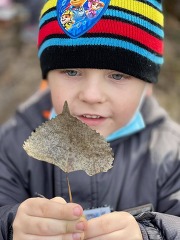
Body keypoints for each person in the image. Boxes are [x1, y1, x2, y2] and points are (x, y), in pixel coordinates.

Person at [0, 0, 180, 239]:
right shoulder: (14, 145)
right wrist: (12, 226)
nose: (91, 95)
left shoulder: (171, 153)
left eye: (117, 75)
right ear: (47, 78)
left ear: (147, 87)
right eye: (72, 72)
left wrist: (149, 234)